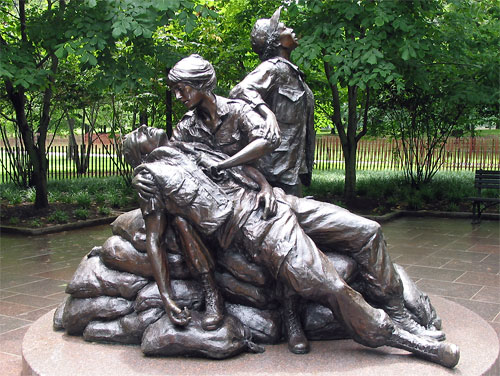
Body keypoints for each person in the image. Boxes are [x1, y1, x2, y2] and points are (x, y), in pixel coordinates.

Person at [123, 130, 460, 369]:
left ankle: (398, 308)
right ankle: (406, 340)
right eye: (137, 134)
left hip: (280, 202)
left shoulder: (190, 147)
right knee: (327, 283)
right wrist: (167, 297)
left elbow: (243, 167)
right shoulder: (149, 176)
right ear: (140, 154)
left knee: (368, 231)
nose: (144, 127)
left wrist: (267, 186)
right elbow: (154, 239)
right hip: (255, 226)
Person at [229, 7, 315, 198]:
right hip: (274, 167)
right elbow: (240, 90)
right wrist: (267, 113)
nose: (291, 29)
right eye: (284, 28)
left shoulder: (293, 73)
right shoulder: (273, 68)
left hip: (292, 166)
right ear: (276, 41)